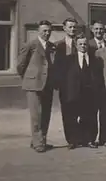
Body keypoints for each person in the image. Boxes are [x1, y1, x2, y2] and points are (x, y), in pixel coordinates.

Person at [16, 20, 56, 153]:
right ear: (38, 31)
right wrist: (29, 78)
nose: (47, 33)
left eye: (49, 31)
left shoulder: (51, 46)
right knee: (36, 115)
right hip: (34, 85)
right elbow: (20, 65)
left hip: (48, 85)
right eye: (44, 31)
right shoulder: (30, 45)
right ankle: (38, 142)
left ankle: (40, 140)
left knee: (46, 114)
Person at [58, 34, 101, 149]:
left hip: (90, 94)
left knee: (90, 117)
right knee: (70, 118)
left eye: (85, 44)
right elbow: (62, 78)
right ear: (76, 46)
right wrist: (64, 93)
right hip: (73, 93)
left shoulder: (95, 60)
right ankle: (73, 141)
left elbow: (99, 77)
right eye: (80, 44)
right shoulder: (68, 60)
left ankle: (89, 139)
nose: (83, 46)